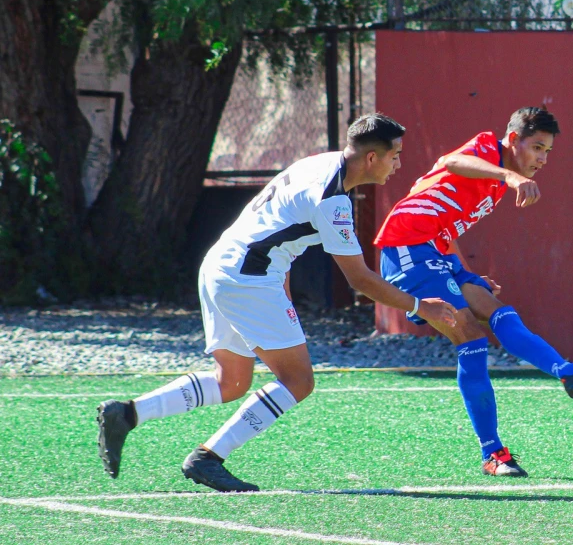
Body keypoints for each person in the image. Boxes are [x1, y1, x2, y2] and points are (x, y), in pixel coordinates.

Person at [95, 113, 457, 492]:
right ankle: (207, 458)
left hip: (221, 265)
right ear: (371, 158)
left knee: (231, 381)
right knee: (298, 380)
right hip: (248, 280)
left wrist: (280, 288)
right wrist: (420, 306)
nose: (398, 164)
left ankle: (127, 414)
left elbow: (276, 229)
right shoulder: (333, 201)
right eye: (395, 155)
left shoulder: (318, 162)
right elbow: (360, 280)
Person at [374, 107, 573, 478]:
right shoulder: (488, 151)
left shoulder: (495, 184)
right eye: (537, 148)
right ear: (513, 141)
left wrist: (464, 273)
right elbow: (450, 160)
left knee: (498, 309)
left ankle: (568, 373)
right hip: (407, 244)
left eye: (548, 151)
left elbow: (444, 225)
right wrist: (509, 174)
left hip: (437, 250)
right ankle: (492, 452)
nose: (542, 159)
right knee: (471, 337)